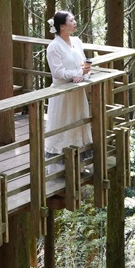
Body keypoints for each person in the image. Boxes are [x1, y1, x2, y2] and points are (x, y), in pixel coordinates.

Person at [44, 10, 93, 158]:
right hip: (62, 92)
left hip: (77, 90)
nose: (75, 22)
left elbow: (84, 65)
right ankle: (60, 162)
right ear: (62, 26)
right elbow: (58, 72)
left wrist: (84, 73)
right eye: (71, 20)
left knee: (78, 122)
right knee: (63, 125)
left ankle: (79, 161)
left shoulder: (77, 41)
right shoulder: (54, 47)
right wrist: (77, 74)